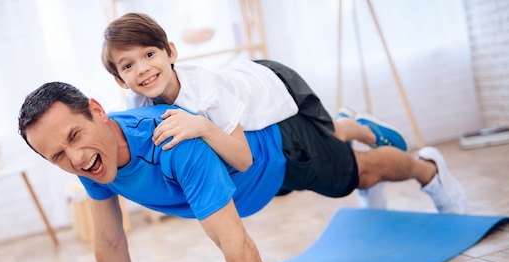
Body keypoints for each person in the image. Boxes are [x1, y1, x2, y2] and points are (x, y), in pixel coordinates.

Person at [17, 64, 467, 262]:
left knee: (358, 173)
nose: (75, 158)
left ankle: (427, 168)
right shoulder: (91, 163)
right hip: (251, 179)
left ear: (97, 109)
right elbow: (111, 240)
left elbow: (233, 241)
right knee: (346, 155)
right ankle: (342, 125)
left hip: (279, 148)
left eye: (75, 136)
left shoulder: (170, 141)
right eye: (57, 155)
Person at [101, 12, 408, 177]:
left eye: (150, 54)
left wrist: (202, 126)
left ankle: (362, 128)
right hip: (243, 83)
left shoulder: (205, 91)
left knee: (333, 133)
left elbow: (244, 159)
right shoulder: (136, 103)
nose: (142, 69)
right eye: (128, 65)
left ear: (171, 52)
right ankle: (345, 122)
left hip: (273, 83)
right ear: (120, 80)